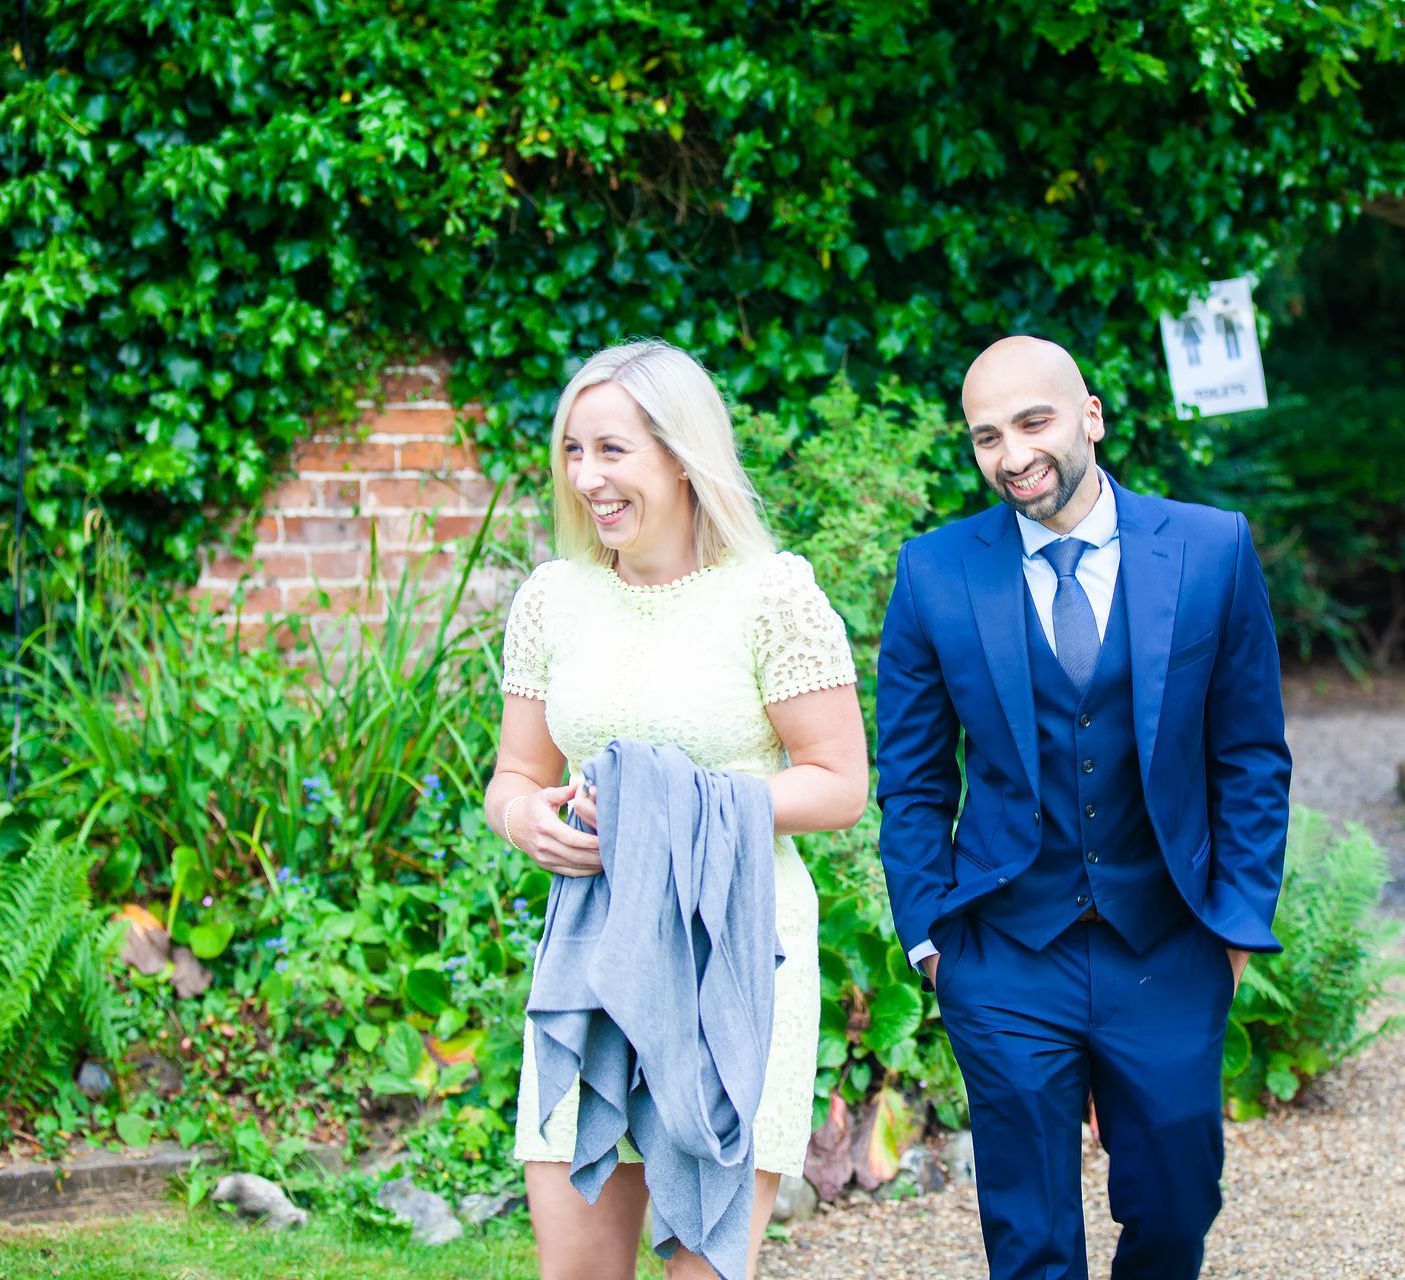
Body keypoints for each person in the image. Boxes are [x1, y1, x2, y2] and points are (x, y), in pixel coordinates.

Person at [875, 335, 1292, 1279]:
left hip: (1170, 942)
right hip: (1006, 953)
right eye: (987, 435)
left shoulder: (1210, 548)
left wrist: (1234, 925)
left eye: (1034, 422)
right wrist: (931, 940)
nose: (1014, 454)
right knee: (1030, 1240)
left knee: (1177, 1209)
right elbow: (912, 777)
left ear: (1090, 417)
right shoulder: (934, 573)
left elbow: (1252, 755)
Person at [485, 339, 868, 1280]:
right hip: (592, 961)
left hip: (737, 956)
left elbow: (838, 784)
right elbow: (515, 774)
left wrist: (665, 818)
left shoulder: (773, 597)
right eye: (574, 451)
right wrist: (522, 818)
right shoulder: (552, 600)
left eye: (613, 451)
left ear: (682, 454)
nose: (587, 479)